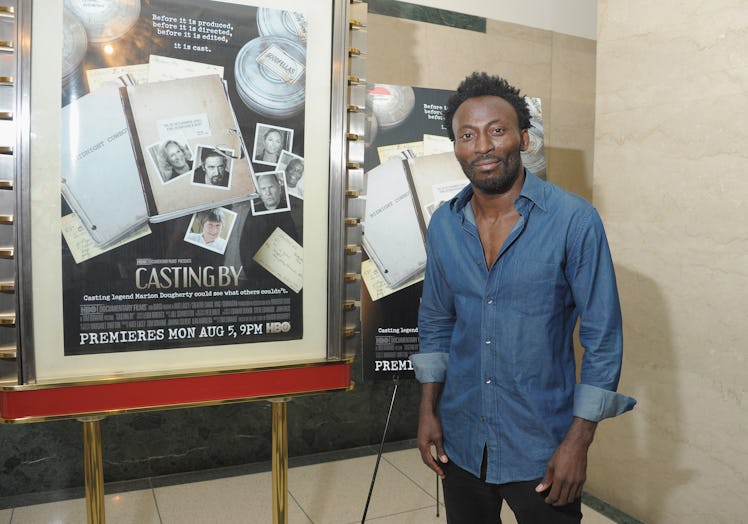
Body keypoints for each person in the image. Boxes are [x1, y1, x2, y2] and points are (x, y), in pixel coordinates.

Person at [410, 72, 636, 524]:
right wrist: (428, 410)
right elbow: (436, 320)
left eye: (497, 130)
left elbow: (603, 337)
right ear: (455, 146)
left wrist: (578, 442)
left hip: (542, 443)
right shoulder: (443, 226)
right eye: (467, 135)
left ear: (523, 137)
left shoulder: (574, 221)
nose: (483, 146)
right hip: (462, 437)